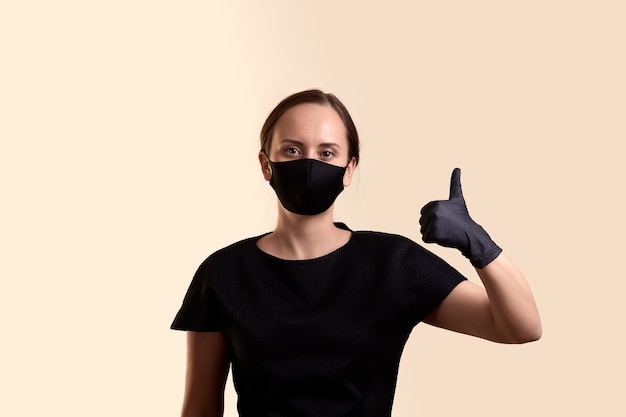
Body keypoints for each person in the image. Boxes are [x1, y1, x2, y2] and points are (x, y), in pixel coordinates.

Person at [171, 89, 542, 417]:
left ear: (349, 170)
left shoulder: (392, 264)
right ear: (266, 164)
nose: (310, 163)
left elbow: (520, 327)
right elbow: (200, 409)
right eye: (292, 149)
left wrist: (480, 246)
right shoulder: (222, 274)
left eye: (327, 152)